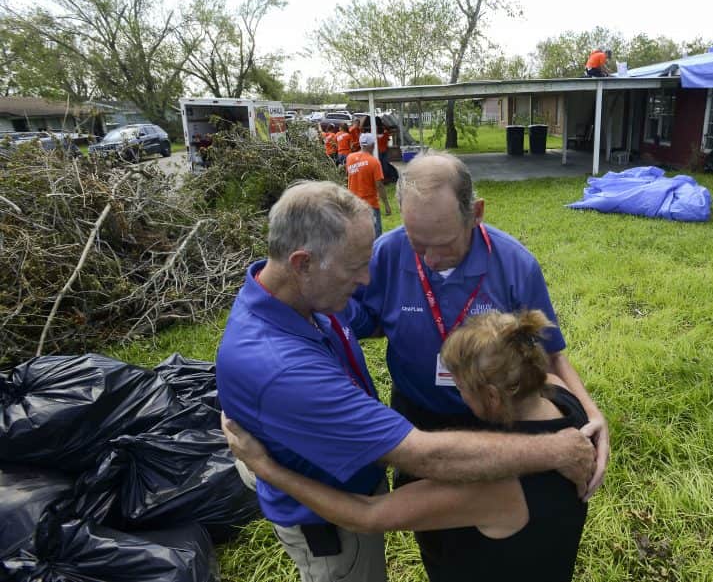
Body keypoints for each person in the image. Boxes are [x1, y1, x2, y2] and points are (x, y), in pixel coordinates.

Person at [216, 181, 595, 582]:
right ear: (302, 263)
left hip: (354, 498)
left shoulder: (310, 299)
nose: (367, 281)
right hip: (326, 516)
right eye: (356, 266)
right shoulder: (284, 368)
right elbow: (422, 455)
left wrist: (266, 468)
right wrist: (559, 444)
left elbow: (373, 512)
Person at [223, 308, 587, 582]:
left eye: (459, 388)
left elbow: (365, 515)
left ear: (492, 396)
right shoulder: (564, 400)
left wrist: (267, 468)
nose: (457, 397)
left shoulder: (493, 485)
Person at [355, 153, 610, 495]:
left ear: (476, 214)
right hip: (418, 417)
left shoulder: (515, 265)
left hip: (496, 417)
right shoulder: (384, 255)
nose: (430, 260)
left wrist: (592, 414)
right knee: (428, 525)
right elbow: (355, 322)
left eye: (444, 245)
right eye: (417, 244)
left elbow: (551, 355)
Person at [346, 133, 392, 238]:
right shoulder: (374, 162)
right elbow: (379, 185)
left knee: (359, 235)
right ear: (372, 145)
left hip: (354, 203)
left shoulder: (350, 158)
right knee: (375, 235)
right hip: (370, 204)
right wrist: (386, 204)